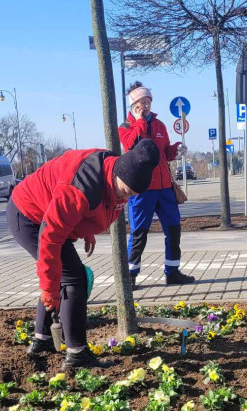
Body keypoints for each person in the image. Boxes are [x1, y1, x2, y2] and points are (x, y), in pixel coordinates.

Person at [9, 139, 160, 368]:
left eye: (132, 196)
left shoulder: (113, 175)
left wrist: (85, 228)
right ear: (115, 175)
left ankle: (43, 340)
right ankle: (77, 354)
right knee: (74, 279)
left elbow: (93, 207)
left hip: (47, 215)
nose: (125, 199)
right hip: (29, 215)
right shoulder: (80, 187)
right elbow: (50, 237)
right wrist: (48, 289)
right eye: (125, 192)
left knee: (66, 275)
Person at [118, 82, 195, 287]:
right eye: (141, 102)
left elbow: (164, 153)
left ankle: (172, 272)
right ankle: (130, 276)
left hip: (164, 188)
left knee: (174, 229)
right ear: (133, 105)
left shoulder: (160, 125)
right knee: (139, 233)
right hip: (142, 190)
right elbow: (131, 145)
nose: (146, 105)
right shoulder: (126, 127)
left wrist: (176, 149)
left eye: (148, 101)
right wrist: (140, 121)